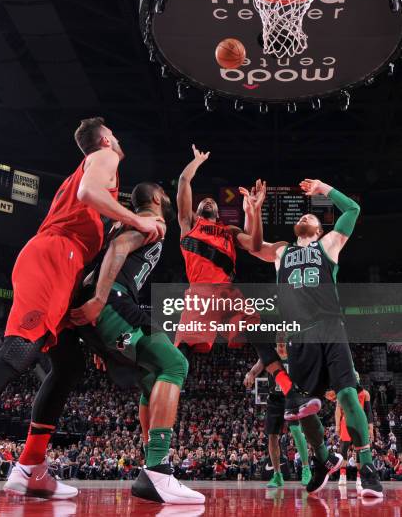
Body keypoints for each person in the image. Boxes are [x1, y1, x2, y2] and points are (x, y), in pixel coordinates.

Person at [0, 117, 164, 504]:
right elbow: (91, 192)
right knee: (20, 350)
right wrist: (136, 218)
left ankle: (30, 468)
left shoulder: (100, 173)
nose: (117, 141)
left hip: (66, 266)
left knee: (70, 365)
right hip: (54, 255)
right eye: (114, 136)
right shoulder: (105, 156)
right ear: (105, 138)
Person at [69, 182, 205, 504]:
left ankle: (150, 469)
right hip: (113, 297)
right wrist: (101, 301)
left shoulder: (120, 222)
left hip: (103, 302)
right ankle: (158, 469)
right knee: (174, 364)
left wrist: (96, 334)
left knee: (149, 378)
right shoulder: (152, 223)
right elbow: (117, 252)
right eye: (165, 195)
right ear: (157, 199)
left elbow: (92, 272)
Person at [248, 178, 383, 498]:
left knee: (349, 395)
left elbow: (353, 208)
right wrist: (254, 212)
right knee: (300, 410)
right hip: (299, 337)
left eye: (312, 217)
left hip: (330, 328)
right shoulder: (281, 251)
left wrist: (323, 188)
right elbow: (254, 247)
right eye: (304, 217)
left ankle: (367, 466)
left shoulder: (329, 245)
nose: (307, 217)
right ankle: (323, 460)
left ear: (320, 230)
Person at [175, 145, 320, 420]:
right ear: (196, 210)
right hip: (200, 293)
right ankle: (168, 389)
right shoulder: (188, 224)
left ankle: (291, 394)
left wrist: (254, 212)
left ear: (218, 214)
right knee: (182, 351)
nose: (208, 203)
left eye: (213, 204)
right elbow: (184, 181)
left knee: (258, 333)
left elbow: (254, 244)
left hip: (228, 291)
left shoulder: (229, 231)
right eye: (203, 202)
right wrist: (196, 161)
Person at [244, 342, 311, 488]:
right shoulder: (270, 354)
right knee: (272, 437)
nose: (280, 348)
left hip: (291, 397)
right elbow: (256, 369)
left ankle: (306, 469)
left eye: (283, 345)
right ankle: (277, 475)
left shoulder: (295, 353)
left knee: (295, 429)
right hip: (274, 398)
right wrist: (250, 374)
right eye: (278, 345)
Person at [326, 371, 373, 491]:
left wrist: (371, 428)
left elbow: (368, 412)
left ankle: (359, 477)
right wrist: (337, 426)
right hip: (345, 422)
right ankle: (342, 476)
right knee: (343, 449)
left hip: (360, 422)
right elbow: (338, 410)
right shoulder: (343, 392)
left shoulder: (365, 393)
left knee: (359, 450)